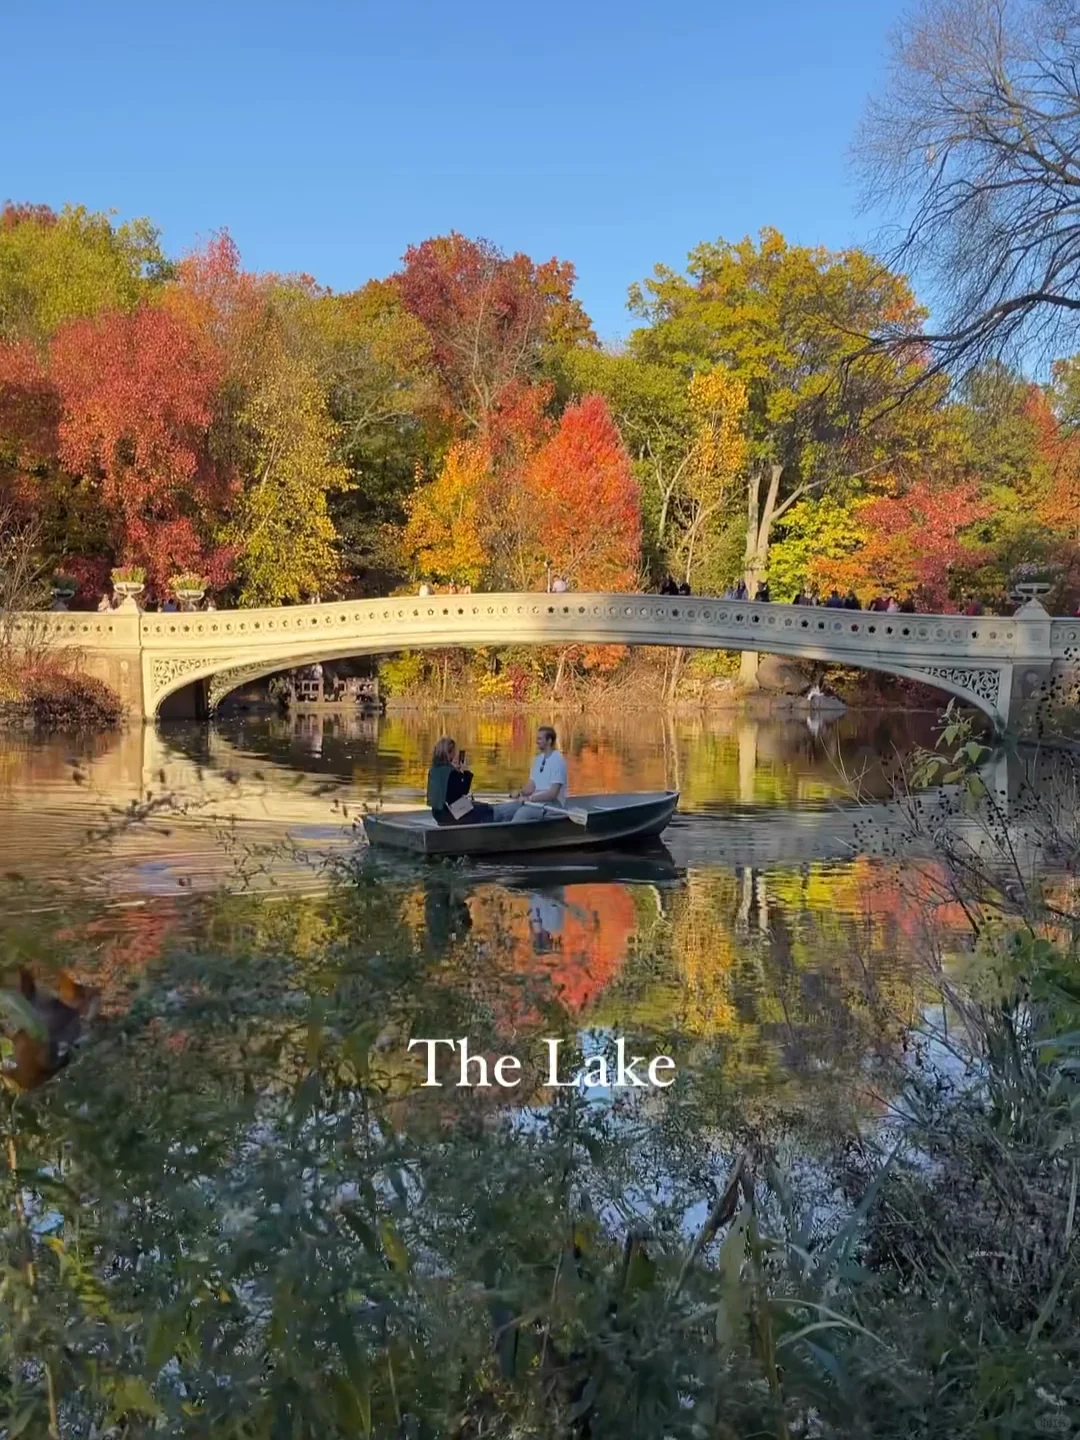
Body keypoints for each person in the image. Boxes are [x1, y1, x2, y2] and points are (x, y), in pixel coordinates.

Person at [502, 725, 569, 824]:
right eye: (537, 738)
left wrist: (530, 799)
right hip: (536, 801)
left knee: (522, 814)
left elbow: (552, 794)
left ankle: (508, 835)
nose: (537, 741)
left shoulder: (558, 761)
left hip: (553, 804)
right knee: (502, 810)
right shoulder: (537, 760)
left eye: (540, 739)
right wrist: (520, 793)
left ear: (549, 741)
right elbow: (531, 786)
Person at [426, 736, 498, 825]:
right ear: (449, 754)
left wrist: (456, 772)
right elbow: (463, 790)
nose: (456, 754)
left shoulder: (433, 770)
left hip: (437, 813)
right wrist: (466, 772)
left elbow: (449, 792)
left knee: (477, 805)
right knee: (487, 810)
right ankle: (486, 833)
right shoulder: (450, 772)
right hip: (450, 813)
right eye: (454, 752)